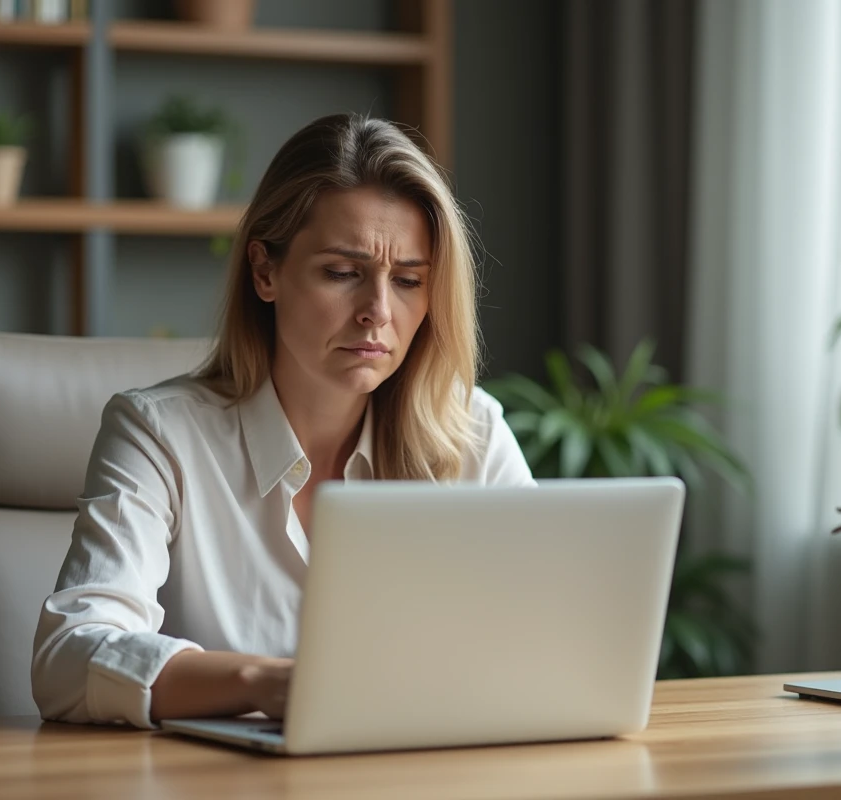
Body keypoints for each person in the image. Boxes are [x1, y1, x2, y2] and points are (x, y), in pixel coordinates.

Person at [31, 113, 535, 729]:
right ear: (265, 272)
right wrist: (267, 684)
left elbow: (547, 642)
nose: (377, 312)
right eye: (343, 273)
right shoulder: (159, 434)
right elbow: (66, 659)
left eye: (407, 281)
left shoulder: (471, 432)